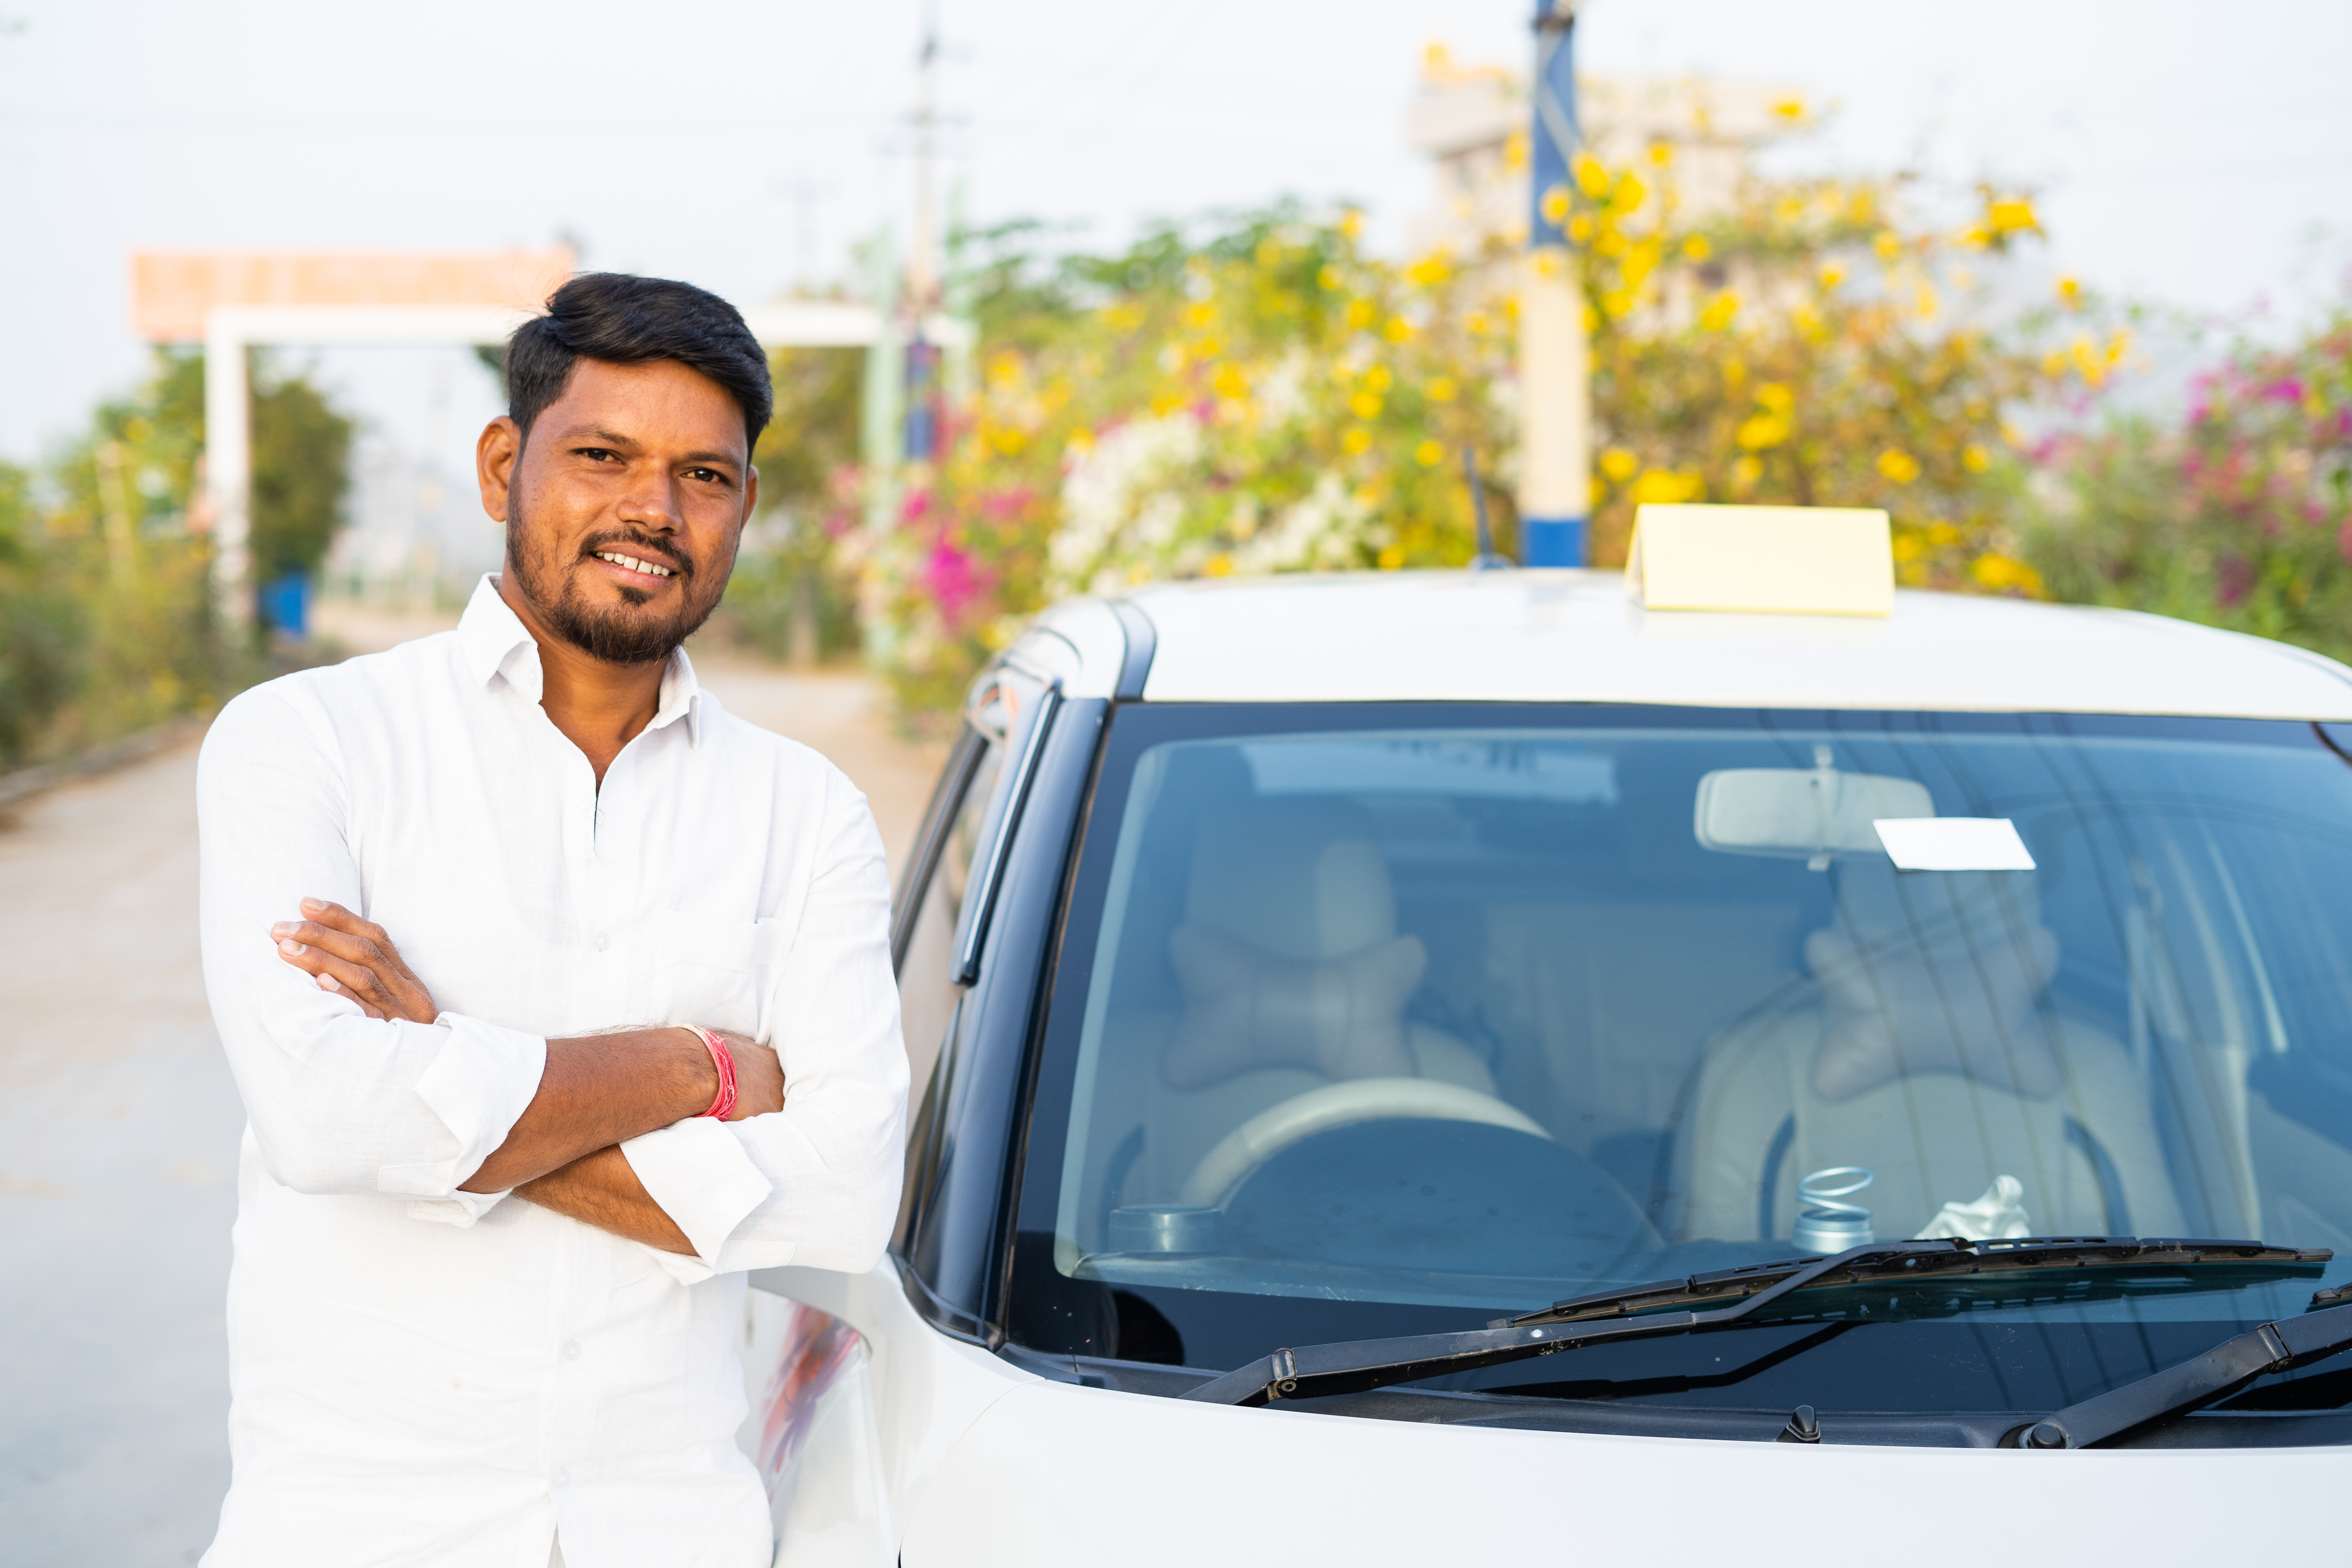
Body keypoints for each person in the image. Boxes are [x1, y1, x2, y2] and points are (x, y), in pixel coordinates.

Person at [194, 273, 908, 1568]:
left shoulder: (808, 815)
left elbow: (850, 1198)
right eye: (602, 456)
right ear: (502, 464)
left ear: (746, 507)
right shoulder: (308, 744)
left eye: (705, 475)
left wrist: (442, 1062)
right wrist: (688, 1070)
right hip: (355, 1529)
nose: (654, 509)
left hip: (674, 1528)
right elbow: (324, 1119)